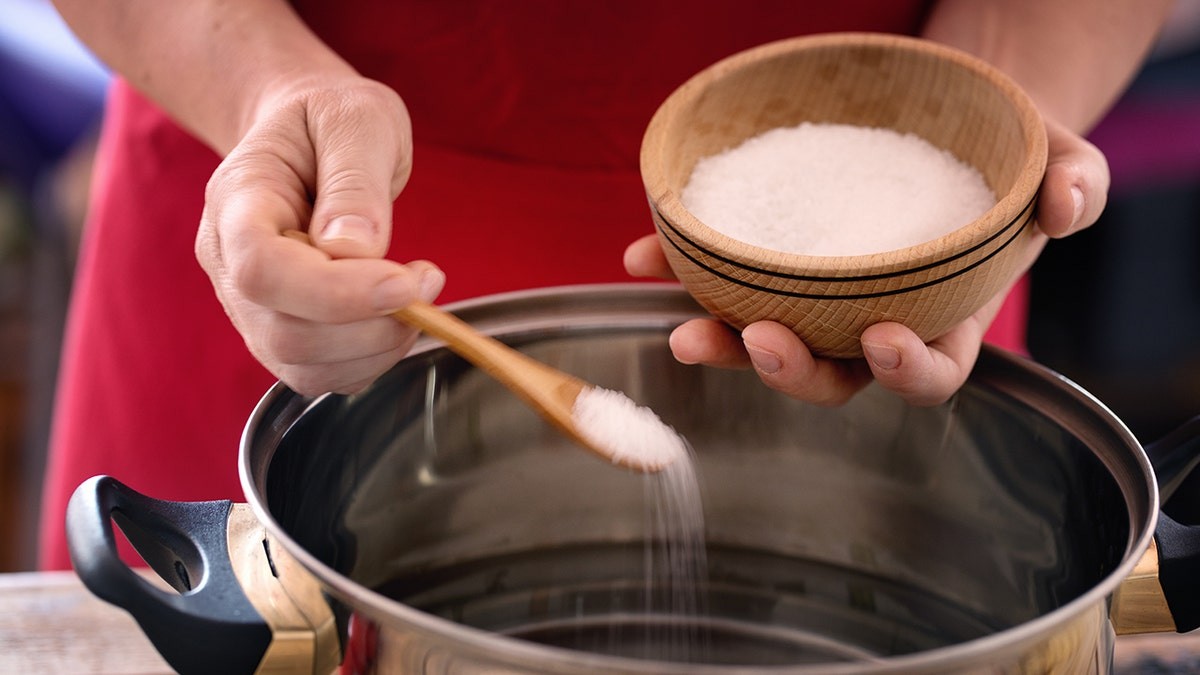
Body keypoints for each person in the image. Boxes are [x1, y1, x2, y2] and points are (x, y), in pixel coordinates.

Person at [38, 0, 1170, 570]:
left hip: (883, 255)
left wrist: (1000, 110)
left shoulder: (913, 224)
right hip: (294, 172)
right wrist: (256, 90)